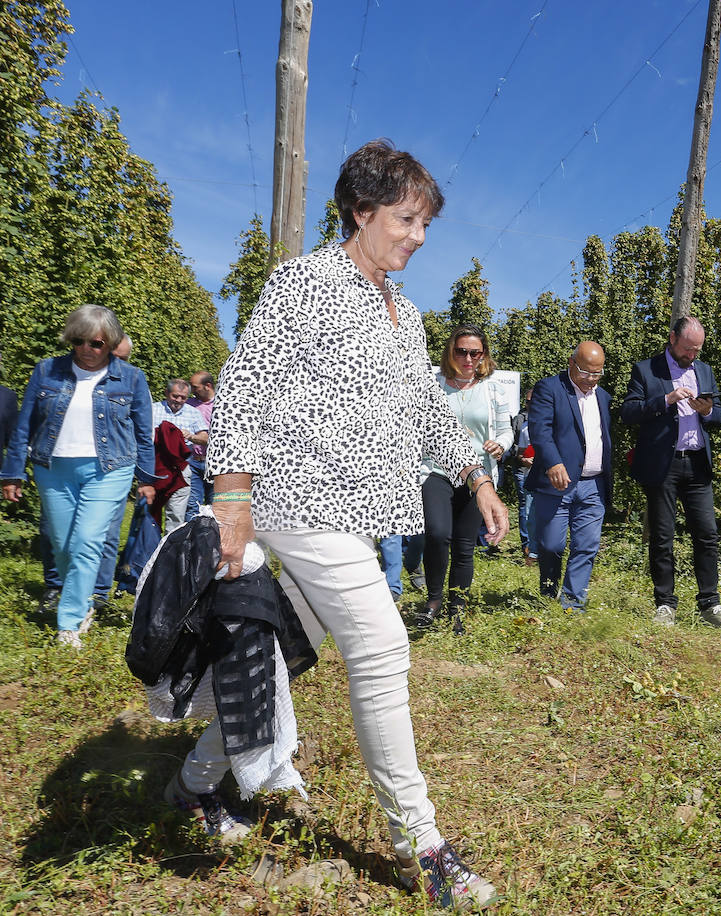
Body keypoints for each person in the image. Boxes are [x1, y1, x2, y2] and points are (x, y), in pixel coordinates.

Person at [204, 139, 506, 908]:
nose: (419, 236)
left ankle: (197, 784)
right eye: (407, 219)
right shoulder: (304, 282)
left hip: (359, 514)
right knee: (381, 644)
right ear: (361, 211)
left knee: (283, 653)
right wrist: (232, 501)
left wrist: (475, 475)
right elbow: (245, 385)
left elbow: (426, 412)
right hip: (299, 502)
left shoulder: (404, 316)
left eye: (425, 222)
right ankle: (423, 848)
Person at [1, 306, 157, 648]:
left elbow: (144, 434)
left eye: (96, 343)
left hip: (110, 469)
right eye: (78, 340)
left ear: (111, 342)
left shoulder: (131, 378)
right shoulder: (47, 370)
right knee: (61, 543)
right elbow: (24, 425)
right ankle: (80, 594)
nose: (86, 349)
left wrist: (147, 477)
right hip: (53, 468)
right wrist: (12, 472)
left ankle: (70, 621)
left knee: (87, 540)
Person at [621, 317, 721, 629]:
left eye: (697, 350)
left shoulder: (704, 370)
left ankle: (710, 603)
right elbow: (628, 411)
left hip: (697, 462)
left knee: (708, 534)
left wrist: (708, 411)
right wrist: (665, 400)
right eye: (687, 349)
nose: (692, 356)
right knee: (662, 536)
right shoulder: (646, 370)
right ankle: (665, 604)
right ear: (672, 338)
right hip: (664, 465)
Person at [416, 324, 513, 631]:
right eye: (461, 351)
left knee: (463, 544)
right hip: (437, 470)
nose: (468, 358)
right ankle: (433, 600)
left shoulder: (493, 389)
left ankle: (457, 608)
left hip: (479, 476)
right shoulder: (433, 385)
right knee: (437, 533)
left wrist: (501, 445)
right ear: (450, 352)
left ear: (483, 355)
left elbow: (506, 430)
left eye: (475, 353)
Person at [528, 342, 612, 611]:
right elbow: (540, 430)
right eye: (586, 373)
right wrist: (553, 462)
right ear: (571, 363)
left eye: (597, 374)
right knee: (551, 545)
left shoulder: (604, 397)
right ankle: (549, 591)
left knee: (586, 546)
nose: (591, 380)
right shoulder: (550, 389)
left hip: (594, 484)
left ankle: (573, 603)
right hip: (557, 484)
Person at [151, 378, 209, 529]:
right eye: (175, 396)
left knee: (176, 515)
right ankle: (146, 547)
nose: (178, 400)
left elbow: (205, 438)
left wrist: (191, 436)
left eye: (183, 397)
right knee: (148, 512)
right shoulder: (153, 409)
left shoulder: (193, 413)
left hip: (181, 470)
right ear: (166, 393)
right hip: (155, 468)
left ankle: (169, 549)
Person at [506, 388, 539, 567]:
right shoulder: (524, 426)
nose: (529, 405)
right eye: (527, 402)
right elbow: (518, 453)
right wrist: (525, 460)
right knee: (527, 513)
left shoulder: (553, 424)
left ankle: (545, 550)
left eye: (532, 402)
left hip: (548, 478)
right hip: (526, 475)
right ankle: (530, 551)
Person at [187, 370, 216, 511]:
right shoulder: (189, 404)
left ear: (207, 386)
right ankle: (190, 533)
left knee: (214, 505)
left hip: (214, 463)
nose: (192, 390)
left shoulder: (221, 406)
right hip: (193, 461)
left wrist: (194, 438)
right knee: (192, 505)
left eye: (195, 387)